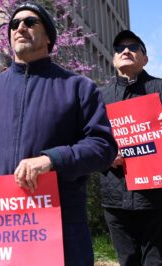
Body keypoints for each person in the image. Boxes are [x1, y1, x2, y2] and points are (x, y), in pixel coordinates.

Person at [0, 2, 117, 265]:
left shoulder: (78, 87)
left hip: (58, 229)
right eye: (14, 24)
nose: (20, 27)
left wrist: (52, 160)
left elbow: (102, 147)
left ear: (49, 37)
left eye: (30, 22)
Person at [99, 30, 162, 266]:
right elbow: (89, 140)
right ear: (113, 59)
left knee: (156, 260)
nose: (125, 51)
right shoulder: (99, 97)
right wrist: (105, 155)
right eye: (119, 49)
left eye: (134, 47)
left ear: (145, 58)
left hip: (156, 196)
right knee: (127, 260)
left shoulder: (160, 89)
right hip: (115, 195)